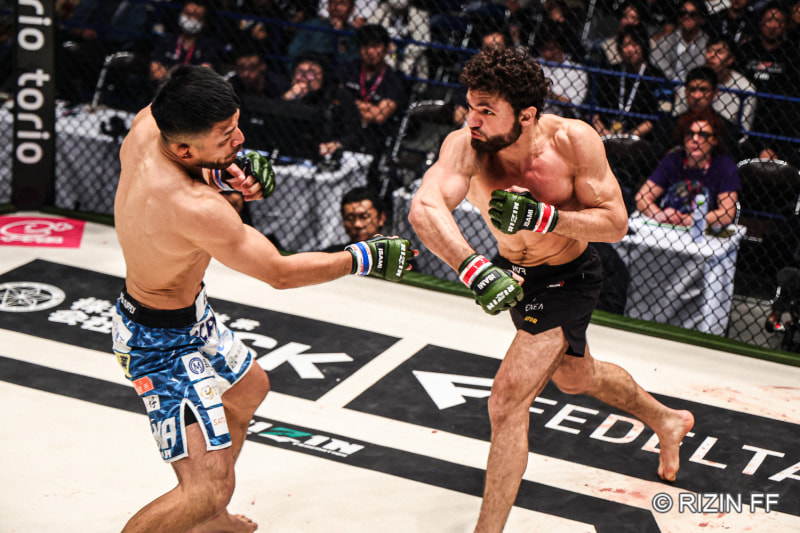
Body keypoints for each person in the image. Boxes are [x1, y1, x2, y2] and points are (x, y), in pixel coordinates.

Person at [111, 65, 413, 533]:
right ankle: (207, 507)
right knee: (206, 488)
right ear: (186, 148)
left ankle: (211, 522)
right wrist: (362, 257)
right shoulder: (195, 207)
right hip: (159, 342)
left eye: (235, 125)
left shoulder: (150, 123)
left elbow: (188, 136)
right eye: (226, 136)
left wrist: (227, 169)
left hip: (186, 313)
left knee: (249, 388)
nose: (241, 138)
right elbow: (279, 273)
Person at [408, 46, 694, 533]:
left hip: (569, 277)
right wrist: (472, 268)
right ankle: (667, 420)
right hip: (513, 274)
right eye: (470, 106)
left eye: (486, 111)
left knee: (506, 401)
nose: (472, 120)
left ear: (526, 114)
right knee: (576, 378)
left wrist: (545, 216)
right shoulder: (467, 145)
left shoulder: (572, 141)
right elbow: (425, 208)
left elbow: (615, 223)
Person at [636, 110, 740, 228]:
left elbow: (727, 213)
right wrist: (660, 215)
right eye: (690, 133)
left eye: (703, 135)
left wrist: (689, 220)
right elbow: (641, 197)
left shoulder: (725, 166)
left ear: (714, 140)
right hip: (669, 226)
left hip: (704, 231)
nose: (695, 139)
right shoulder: (673, 159)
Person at [321, 24, 408, 160]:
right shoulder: (347, 69)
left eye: (375, 46)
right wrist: (366, 108)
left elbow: (379, 116)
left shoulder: (395, 79)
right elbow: (329, 100)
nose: (369, 51)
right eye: (365, 46)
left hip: (372, 137)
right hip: (340, 128)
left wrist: (347, 103)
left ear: (387, 49)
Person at [737, 2, 800, 161]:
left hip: (780, 119)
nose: (772, 26)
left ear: (786, 25)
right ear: (760, 23)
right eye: (768, 20)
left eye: (778, 21)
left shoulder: (793, 53)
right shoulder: (747, 49)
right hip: (747, 112)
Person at [591, 24, 670, 140]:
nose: (630, 50)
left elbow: (661, 114)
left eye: (634, 44)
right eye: (625, 45)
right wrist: (604, 132)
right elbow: (594, 108)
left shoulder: (656, 76)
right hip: (605, 134)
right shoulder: (610, 73)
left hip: (642, 138)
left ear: (643, 46)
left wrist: (631, 136)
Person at [149, 0, 220, 88]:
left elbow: (203, 76)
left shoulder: (208, 45)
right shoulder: (168, 40)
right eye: (187, 14)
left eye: (196, 16)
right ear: (181, 13)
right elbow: (154, 72)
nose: (190, 19)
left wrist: (169, 75)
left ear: (203, 21)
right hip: (164, 90)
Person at [533, 20, 588, 119]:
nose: (547, 54)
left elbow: (572, 106)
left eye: (551, 49)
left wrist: (548, 93)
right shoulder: (535, 64)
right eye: (544, 49)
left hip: (561, 119)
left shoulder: (577, 71)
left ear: (561, 48)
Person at [701, 36, 756, 134]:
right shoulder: (695, 79)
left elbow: (744, 131)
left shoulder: (745, 88)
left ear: (730, 59)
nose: (712, 55)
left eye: (719, 52)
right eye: (709, 51)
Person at [286, 0, 359, 68]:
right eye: (333, 2)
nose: (337, 7)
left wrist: (340, 35)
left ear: (352, 9)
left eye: (343, 3)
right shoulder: (312, 25)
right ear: (328, 7)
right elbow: (293, 52)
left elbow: (352, 62)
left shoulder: (355, 34)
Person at [368, 0, 431, 78]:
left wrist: (401, 51)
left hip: (408, 51)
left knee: (410, 62)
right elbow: (369, 29)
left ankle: (404, 81)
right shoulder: (383, 8)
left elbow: (424, 43)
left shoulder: (419, 14)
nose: (398, 12)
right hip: (386, 48)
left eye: (400, 10)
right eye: (395, 9)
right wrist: (384, 45)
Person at [652, 0, 709, 82]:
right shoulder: (668, 39)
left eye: (692, 14)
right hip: (666, 84)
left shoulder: (707, 43)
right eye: (682, 13)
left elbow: (700, 66)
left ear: (702, 19)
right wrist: (674, 79)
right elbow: (656, 59)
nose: (686, 17)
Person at [323, 186, 387, 252]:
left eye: (364, 217)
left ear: (381, 218)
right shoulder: (334, 254)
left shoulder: (392, 253)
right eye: (350, 218)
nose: (357, 224)